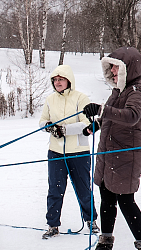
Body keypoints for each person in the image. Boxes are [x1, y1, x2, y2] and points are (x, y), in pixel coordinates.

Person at [83, 46, 141, 250]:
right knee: (106, 197)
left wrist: (102, 110)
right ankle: (105, 241)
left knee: (126, 200)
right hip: (109, 152)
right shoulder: (119, 89)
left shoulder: (136, 90)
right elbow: (112, 117)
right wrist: (95, 124)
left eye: (116, 67)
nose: (113, 71)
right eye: (111, 67)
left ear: (128, 67)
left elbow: (132, 116)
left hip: (127, 153)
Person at [39, 65, 99, 239]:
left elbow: (86, 124)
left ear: (68, 81)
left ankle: (91, 220)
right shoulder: (50, 99)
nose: (58, 83)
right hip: (56, 151)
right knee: (55, 190)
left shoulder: (81, 98)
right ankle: (53, 225)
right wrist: (50, 128)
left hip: (78, 152)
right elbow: (42, 121)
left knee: (83, 188)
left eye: (61, 79)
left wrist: (64, 130)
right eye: (55, 80)